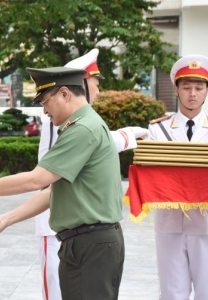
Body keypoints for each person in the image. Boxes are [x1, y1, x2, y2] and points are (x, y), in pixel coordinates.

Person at [0, 67, 125, 300]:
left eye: (45, 101)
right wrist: (6, 219)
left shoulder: (82, 129)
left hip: (90, 244)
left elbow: (36, 179)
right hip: (88, 243)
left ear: (64, 94)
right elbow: (54, 192)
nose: (45, 110)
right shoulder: (83, 124)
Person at [36, 49, 148, 300]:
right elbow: (45, 176)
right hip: (62, 217)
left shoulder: (84, 122)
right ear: (80, 86)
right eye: (95, 85)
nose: (97, 91)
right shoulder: (63, 121)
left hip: (83, 227)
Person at [148, 54, 208, 300]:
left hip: (206, 224)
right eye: (186, 87)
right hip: (169, 222)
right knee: (172, 294)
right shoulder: (158, 129)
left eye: (199, 87)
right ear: (177, 89)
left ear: (206, 91)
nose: (192, 93)